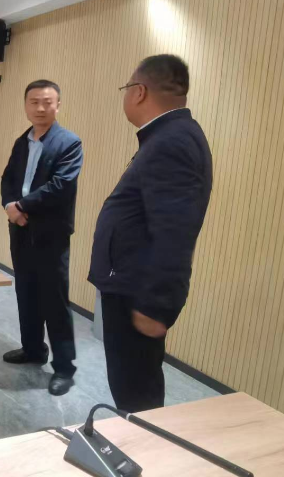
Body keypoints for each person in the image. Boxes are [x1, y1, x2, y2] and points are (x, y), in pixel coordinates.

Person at [89, 54, 212, 412]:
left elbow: (175, 232)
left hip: (137, 293)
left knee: (136, 395)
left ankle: (144, 446)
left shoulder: (171, 142)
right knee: (132, 388)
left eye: (126, 88)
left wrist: (155, 305)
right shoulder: (168, 136)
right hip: (132, 285)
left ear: (139, 91)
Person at [1, 80, 83, 396]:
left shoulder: (69, 143)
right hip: (20, 229)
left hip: (51, 234)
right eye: (34, 101)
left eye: (47, 102)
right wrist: (10, 206)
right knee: (26, 292)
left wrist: (21, 206)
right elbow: (8, 178)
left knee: (54, 300)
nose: (40, 108)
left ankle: (64, 368)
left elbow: (60, 186)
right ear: (26, 105)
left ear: (58, 105)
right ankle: (33, 349)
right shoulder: (22, 141)